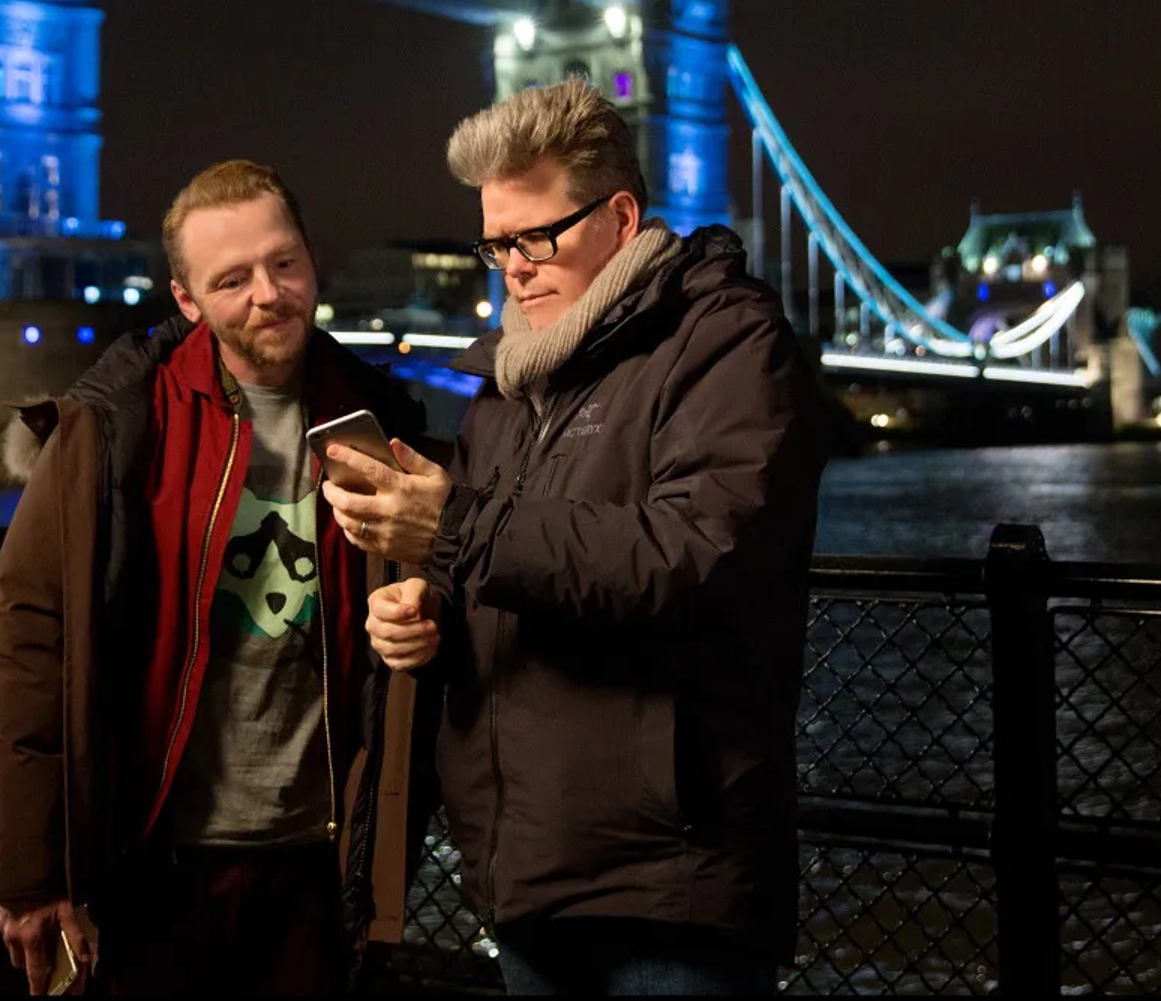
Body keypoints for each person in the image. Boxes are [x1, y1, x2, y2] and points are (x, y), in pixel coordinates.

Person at [320, 80, 828, 997]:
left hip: (670, 879)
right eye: (494, 243)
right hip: (525, 870)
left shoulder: (728, 344)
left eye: (534, 237)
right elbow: (492, 565)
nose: (511, 267)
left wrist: (457, 527)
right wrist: (424, 610)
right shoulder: (512, 383)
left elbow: (693, 557)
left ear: (621, 214)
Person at [0, 159, 436, 996]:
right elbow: (27, 638)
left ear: (310, 259)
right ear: (186, 299)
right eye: (232, 278)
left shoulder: (382, 420)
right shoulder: (117, 424)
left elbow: (417, 618)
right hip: (152, 863)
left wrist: (425, 613)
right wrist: (27, 872)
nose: (268, 293)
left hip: (317, 868)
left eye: (283, 262)